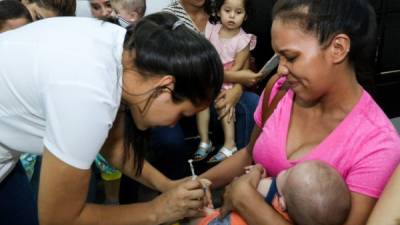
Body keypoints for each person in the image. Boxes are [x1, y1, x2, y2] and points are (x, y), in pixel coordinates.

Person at [0, 12, 223, 225]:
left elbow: (114, 146)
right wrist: (158, 210)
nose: (174, 123)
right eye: (182, 113)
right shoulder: (89, 94)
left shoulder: (123, 49)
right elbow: (58, 218)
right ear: (165, 87)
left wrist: (167, 185)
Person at [200, 0, 400, 224]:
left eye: (291, 57)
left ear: (338, 48)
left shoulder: (377, 145)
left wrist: (246, 200)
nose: (281, 68)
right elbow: (249, 153)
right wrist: (196, 184)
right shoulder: (279, 89)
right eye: (279, 57)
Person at [193, 0, 256, 163]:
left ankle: (230, 144)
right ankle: (205, 141)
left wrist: (219, 78)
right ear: (219, 11)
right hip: (209, 75)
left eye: (238, 12)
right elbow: (204, 53)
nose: (232, 16)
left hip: (229, 78)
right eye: (227, 10)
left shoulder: (244, 39)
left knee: (225, 104)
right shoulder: (211, 29)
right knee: (202, 104)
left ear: (246, 16)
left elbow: (238, 67)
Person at [196, 161, 351, 225]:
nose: (284, 170)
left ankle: (206, 214)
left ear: (281, 203)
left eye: (289, 173)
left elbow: (242, 186)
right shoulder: (299, 212)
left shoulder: (269, 190)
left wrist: (256, 172)